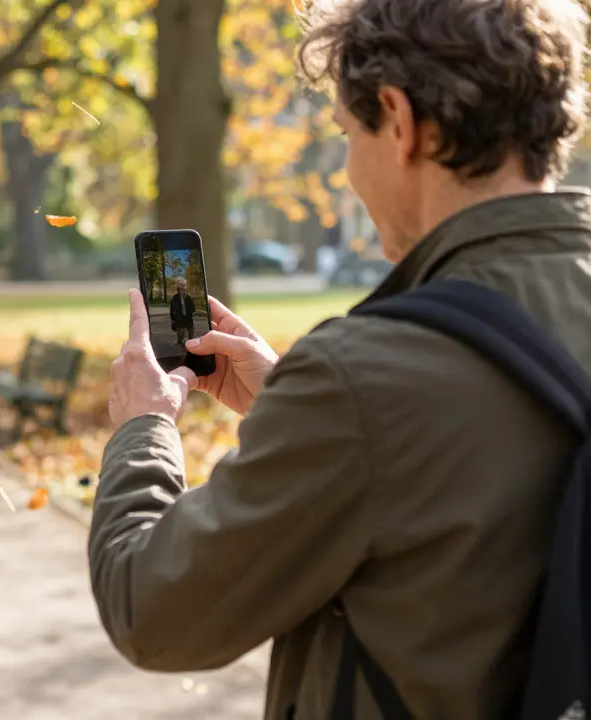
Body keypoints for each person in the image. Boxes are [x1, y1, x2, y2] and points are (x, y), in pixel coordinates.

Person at [89, 1, 591, 717]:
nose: (350, 169)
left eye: (348, 134)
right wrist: (300, 410)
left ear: (399, 119)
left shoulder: (366, 375)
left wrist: (142, 429)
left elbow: (153, 613)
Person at [168, 278, 196, 348]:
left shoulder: (189, 298)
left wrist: (187, 312)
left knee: (191, 341)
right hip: (179, 323)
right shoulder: (174, 298)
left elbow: (193, 309)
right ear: (177, 287)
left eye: (184, 285)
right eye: (180, 285)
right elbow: (172, 311)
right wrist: (173, 320)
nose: (182, 287)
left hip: (189, 323)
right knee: (181, 342)